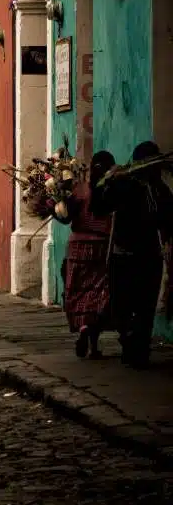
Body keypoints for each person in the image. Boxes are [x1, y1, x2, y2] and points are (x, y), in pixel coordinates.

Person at [100, 141, 173, 368]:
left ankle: (140, 348)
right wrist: (110, 183)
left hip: (149, 256)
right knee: (122, 305)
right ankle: (128, 340)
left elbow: (168, 220)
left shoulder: (160, 190)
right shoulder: (124, 184)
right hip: (123, 255)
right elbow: (102, 206)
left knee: (145, 306)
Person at [61, 151, 116, 359]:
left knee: (78, 291)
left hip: (76, 246)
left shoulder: (79, 189)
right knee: (98, 292)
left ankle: (83, 328)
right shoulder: (109, 187)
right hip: (101, 246)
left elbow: (66, 218)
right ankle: (94, 346)